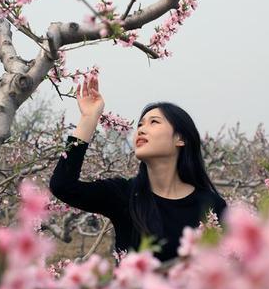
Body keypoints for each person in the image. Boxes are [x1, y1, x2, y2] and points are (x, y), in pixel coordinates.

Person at [49, 74, 227, 262]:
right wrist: (88, 117)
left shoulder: (211, 206)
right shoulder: (125, 195)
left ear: (180, 139)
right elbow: (63, 186)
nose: (141, 129)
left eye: (154, 122)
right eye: (140, 124)